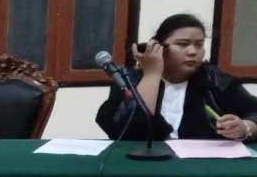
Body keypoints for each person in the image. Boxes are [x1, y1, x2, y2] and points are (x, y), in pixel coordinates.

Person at [96, 13, 257, 141]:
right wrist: (152, 74)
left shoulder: (216, 80)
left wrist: (245, 128)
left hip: (201, 169)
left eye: (199, 45)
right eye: (182, 44)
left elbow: (254, 113)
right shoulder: (129, 80)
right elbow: (132, 133)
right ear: (159, 47)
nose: (193, 51)